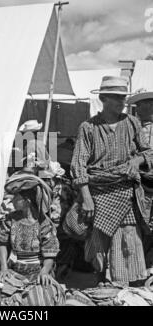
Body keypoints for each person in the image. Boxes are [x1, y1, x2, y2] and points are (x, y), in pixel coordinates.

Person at [70, 76, 153, 286]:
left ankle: (127, 287)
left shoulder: (132, 123)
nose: (121, 101)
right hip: (98, 192)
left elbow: (149, 152)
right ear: (104, 98)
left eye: (123, 97)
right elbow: (78, 165)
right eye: (116, 97)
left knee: (128, 238)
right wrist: (86, 197)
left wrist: (138, 159)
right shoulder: (88, 127)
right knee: (99, 244)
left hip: (127, 190)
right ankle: (104, 286)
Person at [0, 173, 65, 306]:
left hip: (36, 272)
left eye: (16, 197)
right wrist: (3, 267)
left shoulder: (44, 224)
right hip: (14, 271)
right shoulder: (10, 219)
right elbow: (2, 242)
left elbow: (50, 253)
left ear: (27, 201)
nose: (12, 200)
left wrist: (45, 271)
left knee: (40, 299)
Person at [127, 90, 153, 269]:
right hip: (140, 183)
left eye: (145, 106)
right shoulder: (132, 129)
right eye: (139, 106)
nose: (140, 109)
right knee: (140, 223)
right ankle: (141, 264)